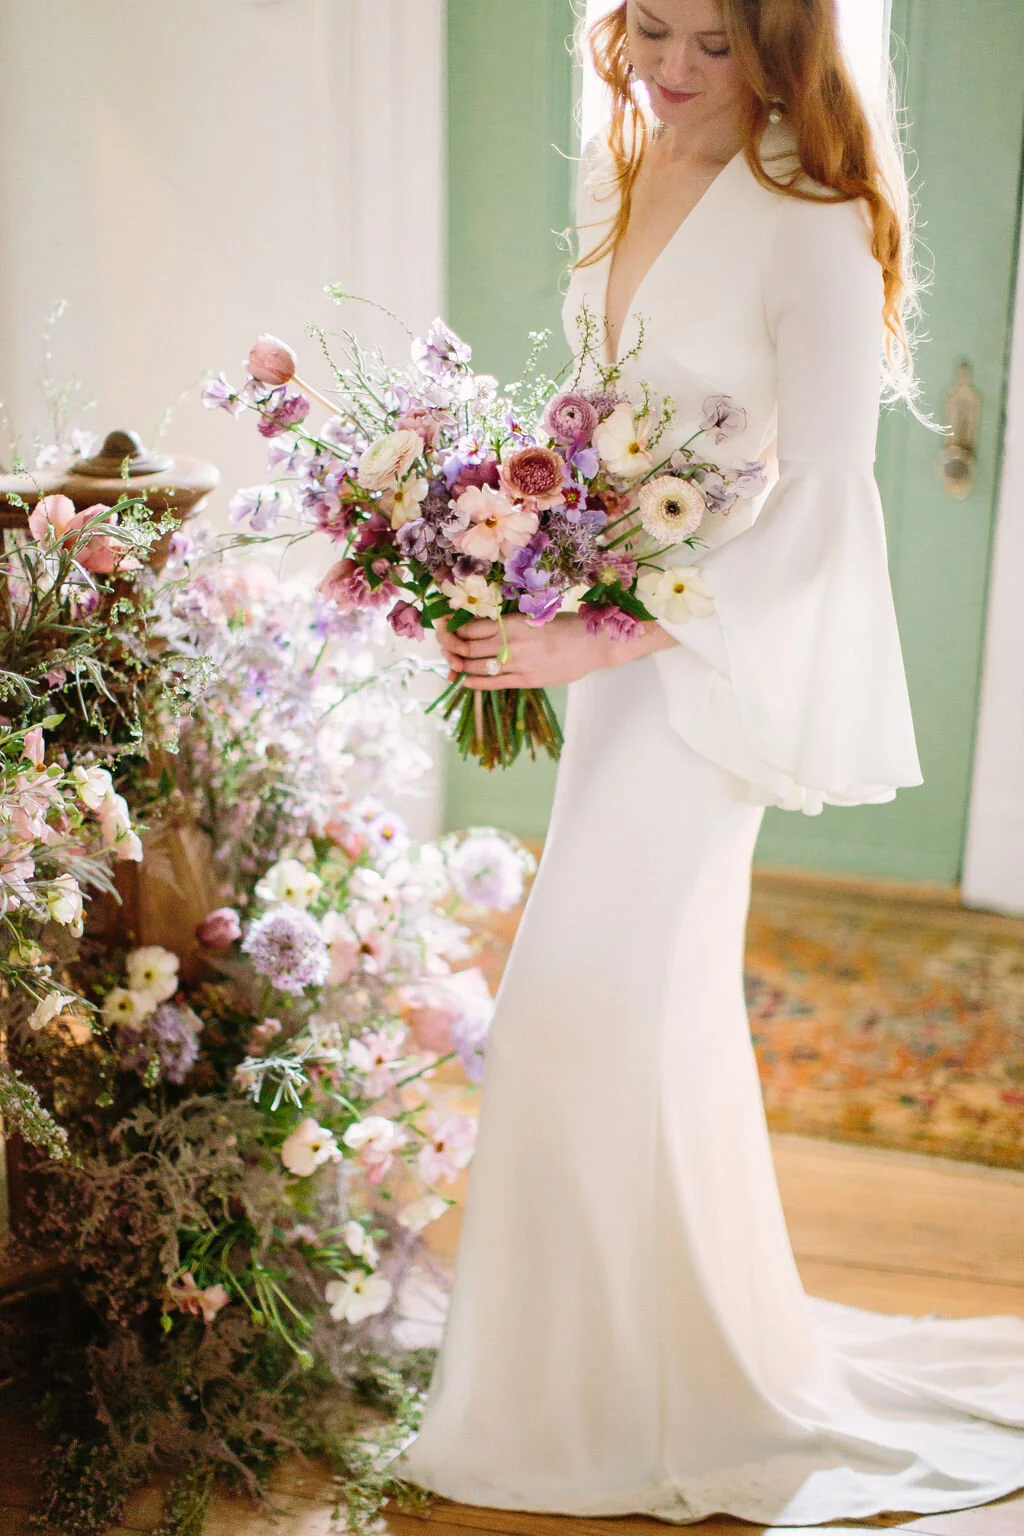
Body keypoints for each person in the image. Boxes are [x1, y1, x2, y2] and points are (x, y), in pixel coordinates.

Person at [391, 0, 1024, 1523]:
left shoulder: (805, 219)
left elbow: (815, 502)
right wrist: (510, 559)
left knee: (567, 1023)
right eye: (654, 28)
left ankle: (590, 1403)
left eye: (717, 47)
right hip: (621, 659)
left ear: (782, 59)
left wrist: (597, 642)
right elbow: (620, 433)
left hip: (698, 677)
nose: (674, 70)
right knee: (642, 1028)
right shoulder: (627, 178)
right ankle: (635, 1368)